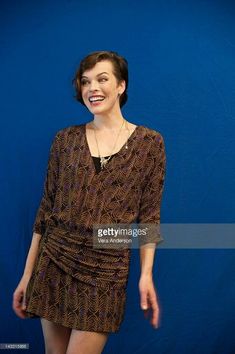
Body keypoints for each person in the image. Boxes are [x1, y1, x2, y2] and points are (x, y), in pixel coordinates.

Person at [12, 50, 166, 354]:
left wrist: (146, 275)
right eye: (85, 82)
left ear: (121, 86)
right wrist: (27, 276)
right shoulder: (64, 140)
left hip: (106, 270)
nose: (92, 88)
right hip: (53, 263)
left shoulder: (150, 143)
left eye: (102, 79)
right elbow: (45, 214)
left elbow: (149, 218)